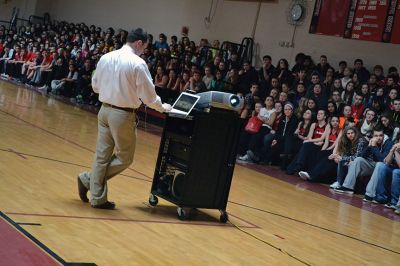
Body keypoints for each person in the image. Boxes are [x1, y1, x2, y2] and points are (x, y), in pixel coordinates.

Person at [77, 28, 172, 209]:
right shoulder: (138, 63)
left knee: (101, 156)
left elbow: (95, 86)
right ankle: (88, 179)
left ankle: (97, 197)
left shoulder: (106, 57)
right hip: (122, 114)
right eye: (145, 47)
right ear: (139, 43)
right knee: (125, 157)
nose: (144, 50)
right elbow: (149, 97)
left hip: (104, 110)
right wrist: (163, 107)